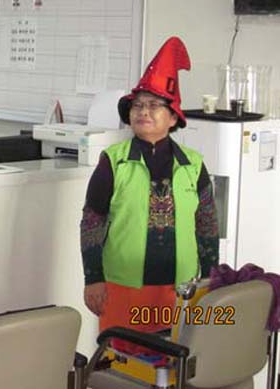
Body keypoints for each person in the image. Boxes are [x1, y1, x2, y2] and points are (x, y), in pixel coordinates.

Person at [80, 36, 219, 352]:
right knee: (121, 363)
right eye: (138, 105)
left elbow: (207, 226)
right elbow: (92, 223)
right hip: (122, 287)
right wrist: (93, 278)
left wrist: (212, 280)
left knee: (173, 363)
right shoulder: (113, 162)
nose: (143, 111)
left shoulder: (193, 165)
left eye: (154, 105)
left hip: (180, 290)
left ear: (173, 117)